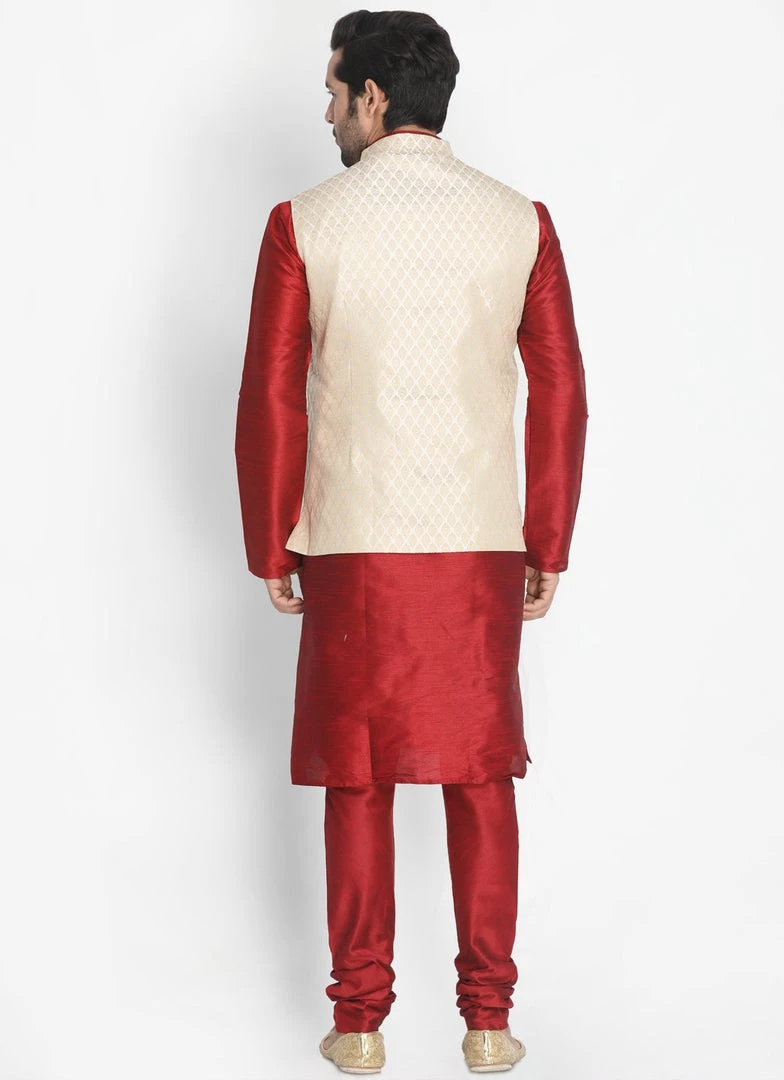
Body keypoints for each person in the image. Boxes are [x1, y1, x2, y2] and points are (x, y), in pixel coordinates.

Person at [234, 9, 588, 1074]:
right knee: (482, 777)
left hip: (353, 540)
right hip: (479, 543)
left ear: (375, 98)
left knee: (359, 777)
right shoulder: (519, 221)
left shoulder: (305, 222)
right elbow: (562, 391)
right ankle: (489, 1021)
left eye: (335, 90)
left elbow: (270, 398)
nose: (326, 111)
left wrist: (272, 541)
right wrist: (547, 539)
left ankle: (358, 1024)